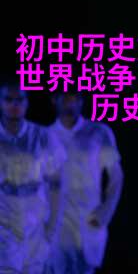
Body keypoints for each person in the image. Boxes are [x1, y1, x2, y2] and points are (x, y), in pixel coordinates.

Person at [46, 91, 123, 274]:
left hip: (87, 219)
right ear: (55, 100)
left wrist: (104, 213)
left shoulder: (99, 132)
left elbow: (116, 176)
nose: (70, 102)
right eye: (65, 97)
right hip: (55, 223)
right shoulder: (44, 136)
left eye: (75, 97)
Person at [0, 80, 66, 274]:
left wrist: (52, 228)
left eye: (20, 99)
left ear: (27, 103)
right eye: (8, 100)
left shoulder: (43, 136)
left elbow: (56, 185)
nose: (14, 105)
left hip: (35, 227)